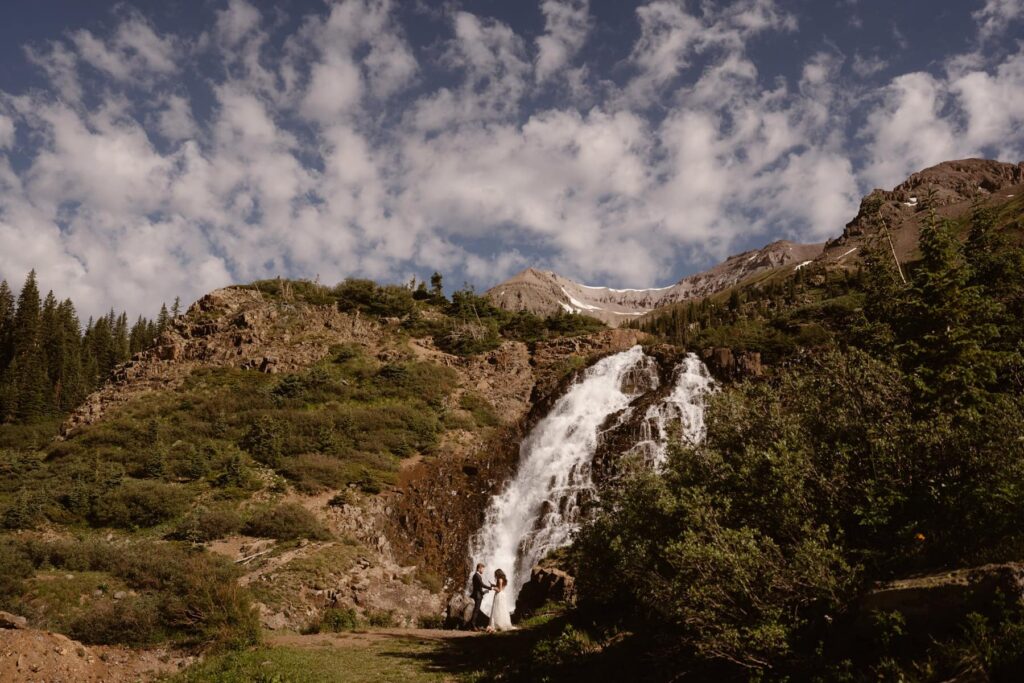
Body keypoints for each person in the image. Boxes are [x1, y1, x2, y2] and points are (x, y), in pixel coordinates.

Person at [468, 562, 491, 630]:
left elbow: (478, 587)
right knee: (476, 610)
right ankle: (473, 625)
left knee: (477, 610)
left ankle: (474, 624)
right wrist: (490, 588)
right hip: (477, 596)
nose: (483, 571)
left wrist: (484, 592)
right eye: (483, 569)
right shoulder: (476, 575)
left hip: (478, 594)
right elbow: (481, 585)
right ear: (479, 568)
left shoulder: (477, 576)